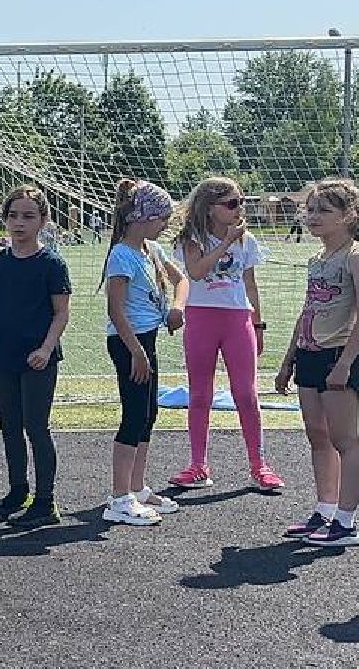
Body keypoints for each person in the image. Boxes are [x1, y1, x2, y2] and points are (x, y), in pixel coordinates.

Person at [169, 178, 285, 492]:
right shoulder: (192, 237)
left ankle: (259, 465)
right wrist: (224, 243)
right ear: (209, 208)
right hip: (201, 318)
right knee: (200, 395)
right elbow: (196, 272)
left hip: (237, 320)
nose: (239, 209)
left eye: (240, 202)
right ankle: (198, 466)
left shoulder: (246, 241)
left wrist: (258, 325)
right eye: (231, 203)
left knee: (246, 395)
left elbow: (250, 284)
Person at [0, 186, 72, 529]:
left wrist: (45, 348)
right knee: (9, 426)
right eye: (13, 215)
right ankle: (17, 492)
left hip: (38, 359)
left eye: (29, 216)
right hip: (6, 357)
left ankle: (45, 501)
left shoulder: (52, 264)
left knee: (36, 427)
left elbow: (61, 313)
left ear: (43, 221)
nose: (19, 223)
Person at [101, 178, 189, 526]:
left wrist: (176, 309)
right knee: (134, 414)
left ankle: (136, 487)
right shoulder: (122, 254)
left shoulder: (151, 250)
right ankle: (119, 497)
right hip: (129, 342)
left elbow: (181, 279)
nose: (165, 224)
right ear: (142, 217)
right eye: (161, 217)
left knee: (148, 413)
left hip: (146, 338)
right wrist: (136, 351)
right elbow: (115, 309)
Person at [277, 180, 359, 546]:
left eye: (323, 211)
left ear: (348, 215)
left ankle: (345, 520)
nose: (313, 217)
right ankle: (325, 509)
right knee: (318, 436)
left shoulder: (353, 257)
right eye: (310, 210)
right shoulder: (317, 259)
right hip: (309, 356)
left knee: (347, 441)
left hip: (338, 355)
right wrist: (287, 359)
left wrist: (344, 362)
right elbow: (308, 310)